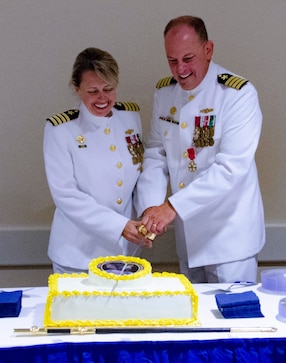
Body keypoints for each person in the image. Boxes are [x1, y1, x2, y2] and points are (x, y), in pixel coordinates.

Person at [135, 16, 265, 283]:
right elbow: (156, 153)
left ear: (208, 50)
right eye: (172, 60)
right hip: (188, 239)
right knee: (193, 321)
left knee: (233, 322)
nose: (180, 69)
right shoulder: (165, 94)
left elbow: (230, 169)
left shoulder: (237, 94)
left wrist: (171, 207)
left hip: (230, 240)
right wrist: (150, 209)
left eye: (188, 58)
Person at [43, 47, 152, 274]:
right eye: (93, 91)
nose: (102, 98)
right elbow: (66, 195)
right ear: (77, 88)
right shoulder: (61, 129)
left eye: (108, 89)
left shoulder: (129, 117)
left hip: (124, 252)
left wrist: (147, 216)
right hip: (77, 254)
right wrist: (119, 226)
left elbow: (138, 176)